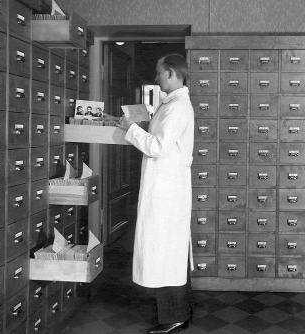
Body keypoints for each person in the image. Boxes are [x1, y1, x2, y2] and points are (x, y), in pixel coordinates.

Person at [116, 54, 194, 334]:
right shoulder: (172, 103)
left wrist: (132, 129)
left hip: (167, 192)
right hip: (166, 189)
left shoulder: (178, 107)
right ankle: (180, 311)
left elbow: (158, 147)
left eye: (160, 73)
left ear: (172, 73)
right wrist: (133, 125)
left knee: (166, 254)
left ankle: (173, 316)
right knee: (169, 252)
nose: (157, 78)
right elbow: (162, 138)